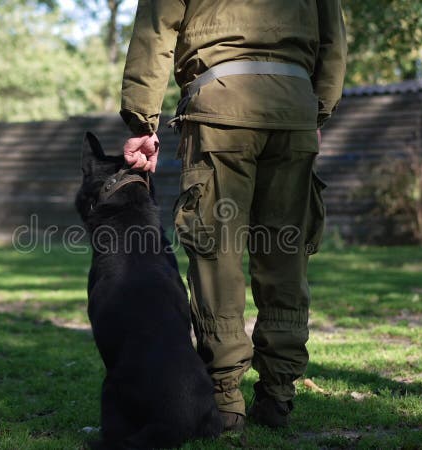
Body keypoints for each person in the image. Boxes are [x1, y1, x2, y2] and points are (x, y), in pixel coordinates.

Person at [120, 1, 346, 432]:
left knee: (216, 254)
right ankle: (279, 393)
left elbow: (155, 32)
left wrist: (142, 120)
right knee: (286, 254)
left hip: (218, 107)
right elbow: (333, 38)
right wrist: (316, 109)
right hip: (294, 108)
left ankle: (225, 400)